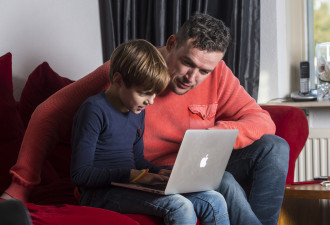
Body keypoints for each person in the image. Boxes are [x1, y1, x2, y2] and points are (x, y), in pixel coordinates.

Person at [1, 13, 289, 225]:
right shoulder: (127, 72)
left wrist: (215, 134)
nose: (192, 77)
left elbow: (262, 121)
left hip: (194, 164)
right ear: (172, 43)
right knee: (222, 181)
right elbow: (49, 111)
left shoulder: (219, 74)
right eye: (187, 63)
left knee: (275, 147)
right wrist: (22, 184)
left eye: (204, 71)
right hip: (150, 174)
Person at [70, 39, 230, 225]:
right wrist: (133, 176)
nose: (151, 101)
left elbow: (138, 161)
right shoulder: (94, 110)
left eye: (154, 93)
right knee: (180, 206)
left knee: (214, 199)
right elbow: (80, 174)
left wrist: (162, 173)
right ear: (118, 80)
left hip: (130, 183)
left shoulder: (136, 110)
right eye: (144, 93)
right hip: (98, 193)